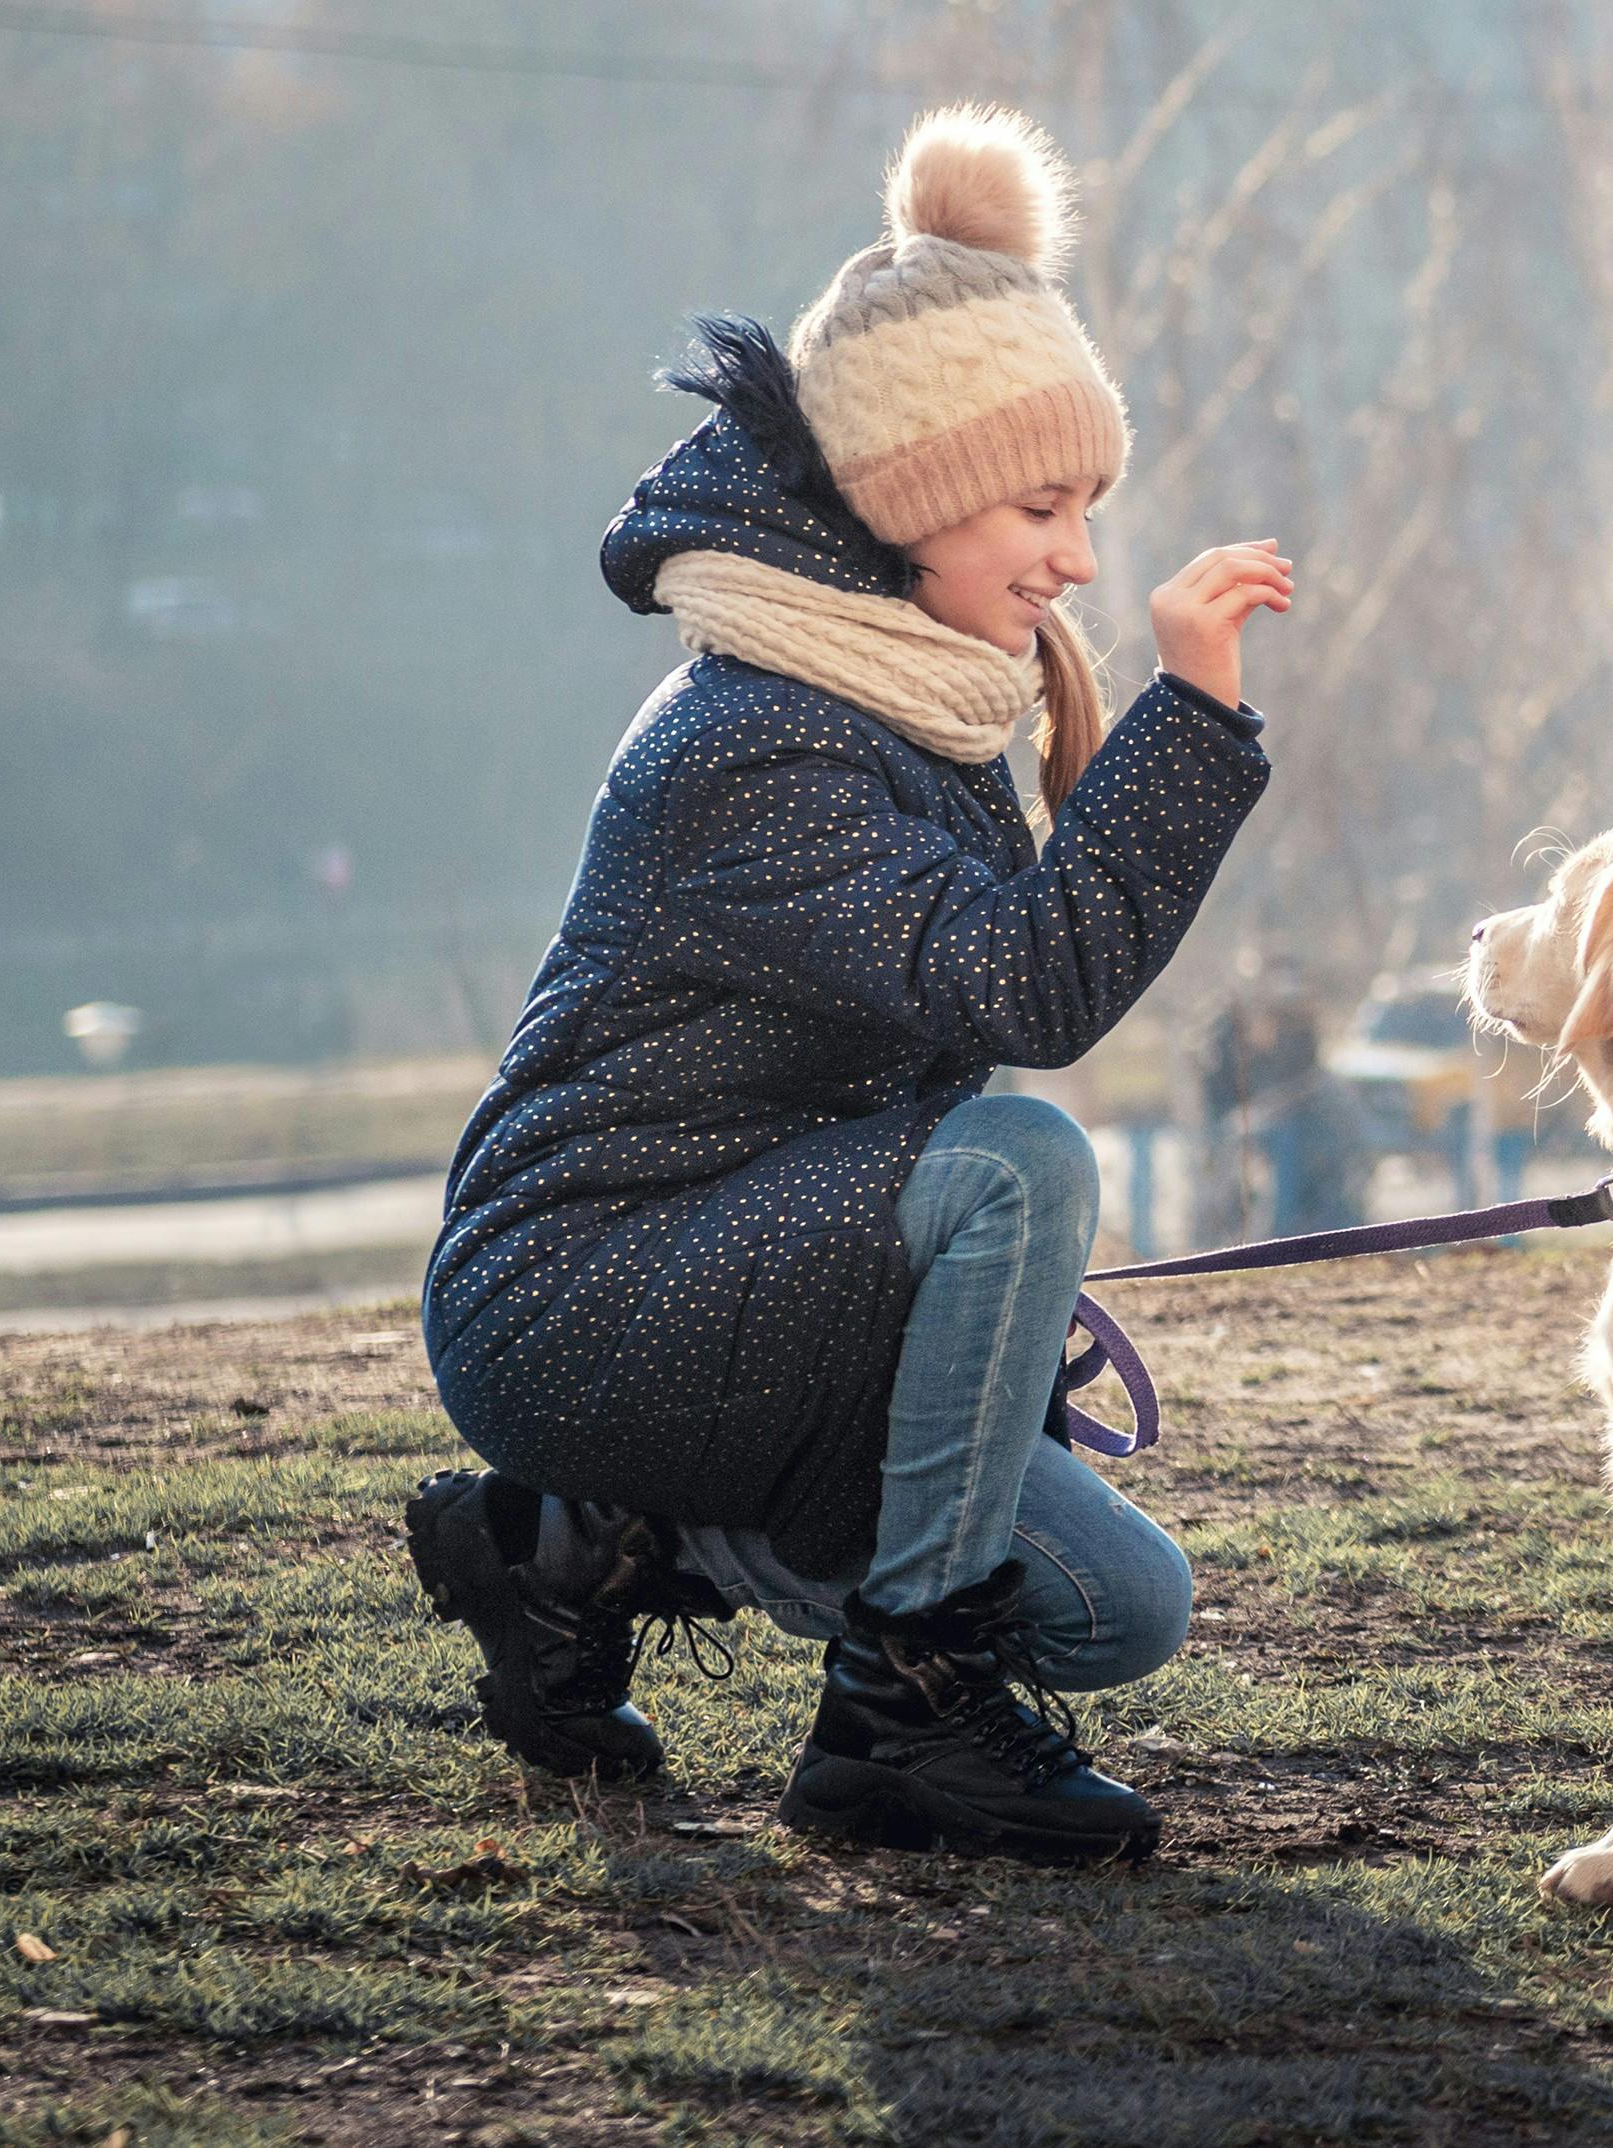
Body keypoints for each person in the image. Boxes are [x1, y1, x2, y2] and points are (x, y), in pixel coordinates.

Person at [404, 105, 1292, 1867]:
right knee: (1024, 1153)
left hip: (765, 1272)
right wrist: (1188, 717)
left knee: (1121, 1609)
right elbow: (1021, 998)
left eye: (1090, 506)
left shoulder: (916, 699)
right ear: (915, 501)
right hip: (588, 1283)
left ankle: (578, 1552)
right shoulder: (761, 742)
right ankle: (900, 1726)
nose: (1083, 561)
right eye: (1045, 505)